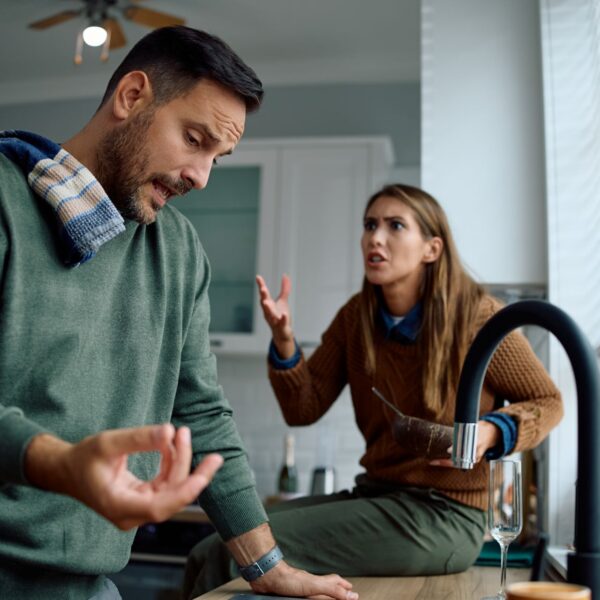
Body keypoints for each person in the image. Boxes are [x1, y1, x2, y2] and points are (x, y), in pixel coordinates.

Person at [0, 26, 357, 600]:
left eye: (218, 156)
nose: (201, 176)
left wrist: (268, 567)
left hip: (90, 586)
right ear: (132, 96)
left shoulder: (179, 251)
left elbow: (201, 413)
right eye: (195, 139)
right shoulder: (6, 200)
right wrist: (58, 463)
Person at [184, 183, 564, 596]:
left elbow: (549, 401)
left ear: (431, 249)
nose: (375, 238)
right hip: (377, 496)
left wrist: (490, 434)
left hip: (445, 518)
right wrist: (285, 342)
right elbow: (303, 409)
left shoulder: (479, 318)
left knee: (226, 552)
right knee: (218, 543)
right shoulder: (356, 318)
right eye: (370, 225)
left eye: (395, 225)